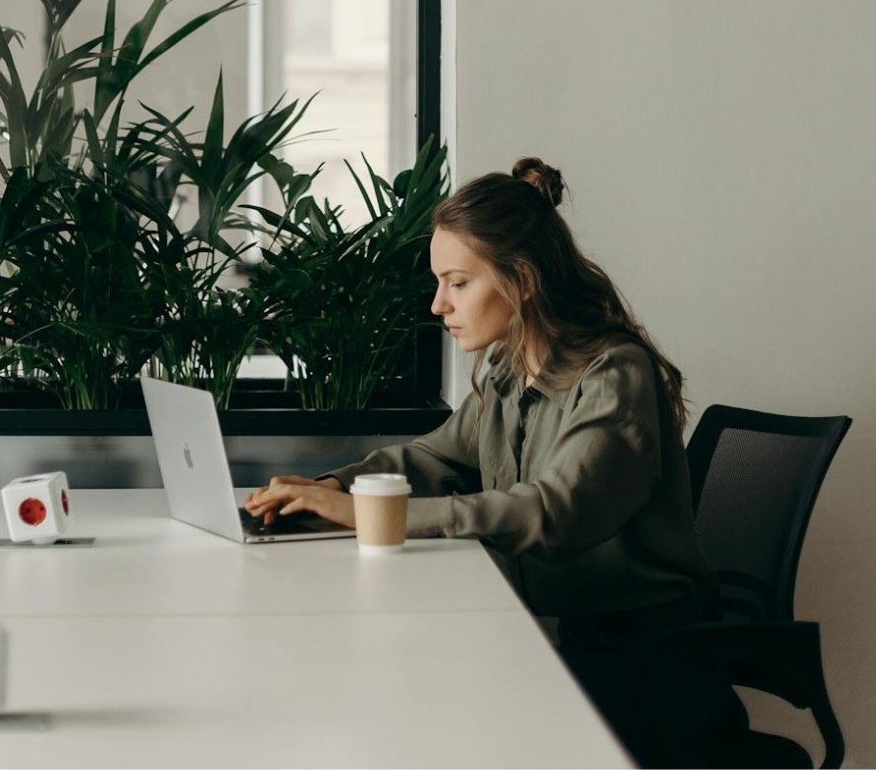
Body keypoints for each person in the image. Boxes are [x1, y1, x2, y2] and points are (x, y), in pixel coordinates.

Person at [244, 158, 729, 766]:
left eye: (457, 282)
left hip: (641, 666)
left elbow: (555, 513)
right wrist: (327, 488)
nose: (437, 305)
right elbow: (433, 456)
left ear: (522, 280)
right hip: (561, 634)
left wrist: (367, 514)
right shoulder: (509, 367)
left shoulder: (613, 375)